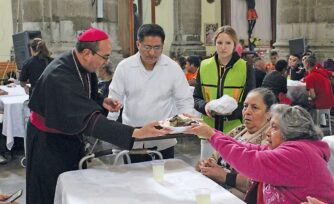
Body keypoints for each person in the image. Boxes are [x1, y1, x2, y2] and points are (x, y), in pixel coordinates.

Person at [26, 27, 170, 204]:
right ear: (87, 52)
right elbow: (88, 120)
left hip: (67, 138)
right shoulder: (59, 75)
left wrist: (101, 100)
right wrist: (136, 133)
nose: (106, 62)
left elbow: (83, 96)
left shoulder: (78, 64)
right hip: (49, 144)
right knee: (52, 191)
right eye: (105, 56)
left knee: (73, 187)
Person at [186, 104, 334, 203]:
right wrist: (211, 133)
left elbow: (249, 160)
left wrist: (212, 135)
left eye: (274, 128)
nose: (267, 132)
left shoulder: (298, 154)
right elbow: (248, 149)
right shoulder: (288, 149)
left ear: (291, 132)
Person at [109, 24, 194, 163]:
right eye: (147, 47)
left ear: (162, 46)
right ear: (138, 44)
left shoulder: (172, 68)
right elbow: (114, 101)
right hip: (134, 137)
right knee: (134, 180)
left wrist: (185, 125)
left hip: (164, 138)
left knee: (164, 179)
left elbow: (184, 100)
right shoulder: (125, 67)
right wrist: (111, 130)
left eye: (157, 48)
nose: (152, 53)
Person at [196, 88, 276, 201]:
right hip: (217, 187)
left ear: (269, 114)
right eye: (245, 106)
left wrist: (224, 176)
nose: (247, 111)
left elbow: (258, 183)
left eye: (255, 107)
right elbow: (216, 154)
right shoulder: (240, 129)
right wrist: (208, 165)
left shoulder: (269, 139)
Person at [194, 25, 255, 134]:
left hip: (234, 132)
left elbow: (250, 102)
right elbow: (196, 98)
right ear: (215, 44)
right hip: (208, 131)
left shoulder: (245, 67)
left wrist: (230, 112)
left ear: (234, 45)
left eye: (228, 43)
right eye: (219, 42)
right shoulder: (204, 66)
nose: (223, 47)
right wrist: (205, 106)